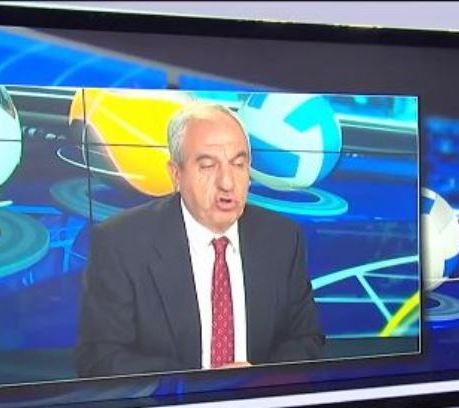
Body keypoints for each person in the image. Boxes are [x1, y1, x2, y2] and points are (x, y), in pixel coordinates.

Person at [76, 102, 325, 377]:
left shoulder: (282, 238)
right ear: (176, 174)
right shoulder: (121, 243)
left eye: (238, 164)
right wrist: (199, 384)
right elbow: (101, 359)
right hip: (169, 403)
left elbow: (307, 341)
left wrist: (257, 377)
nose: (227, 183)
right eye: (207, 166)